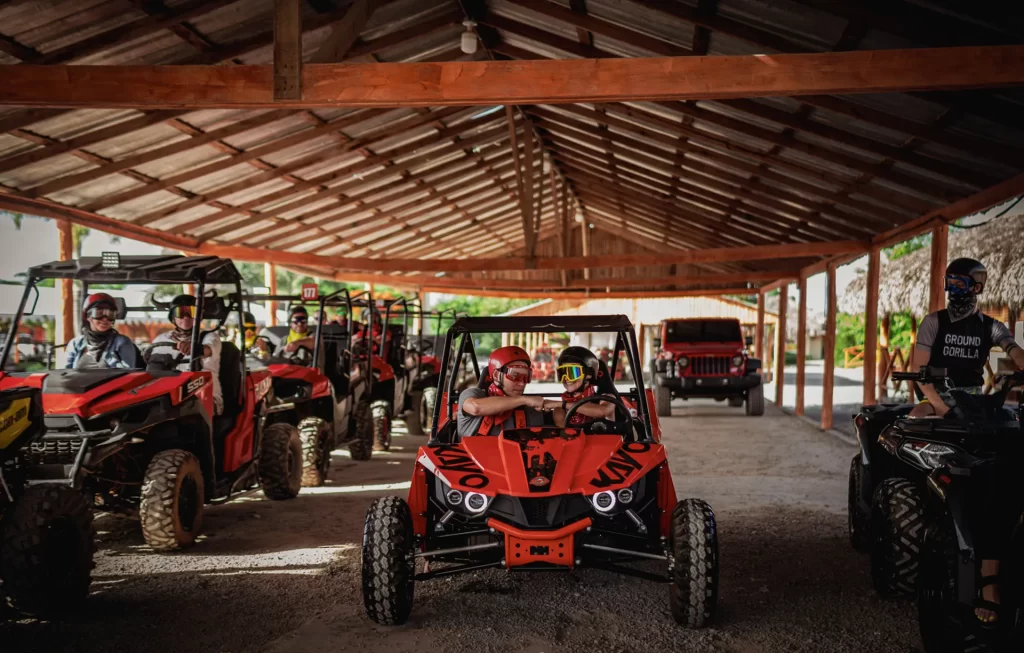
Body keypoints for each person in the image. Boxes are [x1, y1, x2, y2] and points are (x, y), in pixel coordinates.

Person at [909, 257, 1024, 625]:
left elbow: (1011, 348)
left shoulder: (990, 327)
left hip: (974, 401)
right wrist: (941, 408)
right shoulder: (933, 323)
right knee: (915, 418)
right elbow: (920, 373)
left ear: (978, 288)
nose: (958, 289)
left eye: (966, 283)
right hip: (938, 398)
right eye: (953, 282)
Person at [148, 295, 223, 415]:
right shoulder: (160, 340)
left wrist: (194, 348)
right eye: (180, 312)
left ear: (198, 316)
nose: (186, 317)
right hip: (169, 395)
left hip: (204, 395)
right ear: (173, 317)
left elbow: (209, 349)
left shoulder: (209, 337)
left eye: (191, 312)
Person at [458, 346, 549, 436]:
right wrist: (524, 400)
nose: (522, 384)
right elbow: (476, 408)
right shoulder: (472, 395)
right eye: (515, 375)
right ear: (496, 375)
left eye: (526, 377)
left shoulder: (530, 411)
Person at [543, 346, 615, 427]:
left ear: (588, 375)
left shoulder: (607, 398)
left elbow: (602, 412)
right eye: (562, 373)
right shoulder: (559, 409)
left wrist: (562, 404)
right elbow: (565, 436)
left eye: (572, 373)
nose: (566, 378)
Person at [65, 293, 138, 369]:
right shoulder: (75, 344)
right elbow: (65, 373)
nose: (105, 319)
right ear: (88, 316)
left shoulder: (121, 342)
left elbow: (127, 373)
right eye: (98, 313)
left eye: (110, 314)